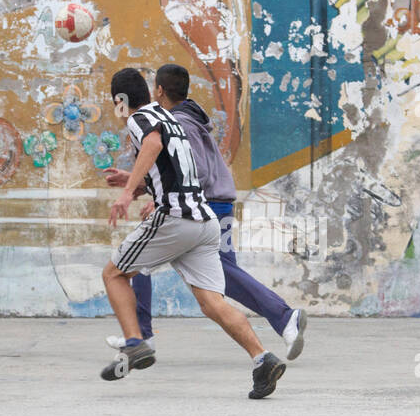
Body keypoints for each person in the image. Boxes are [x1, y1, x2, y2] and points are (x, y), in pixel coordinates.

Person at [100, 68, 286, 398]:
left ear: (120, 101)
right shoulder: (168, 116)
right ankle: (263, 359)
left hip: (175, 219)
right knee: (212, 302)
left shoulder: (140, 118)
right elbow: (174, 168)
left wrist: (128, 191)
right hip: (204, 221)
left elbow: (153, 143)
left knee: (114, 274)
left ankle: (135, 344)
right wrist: (140, 183)